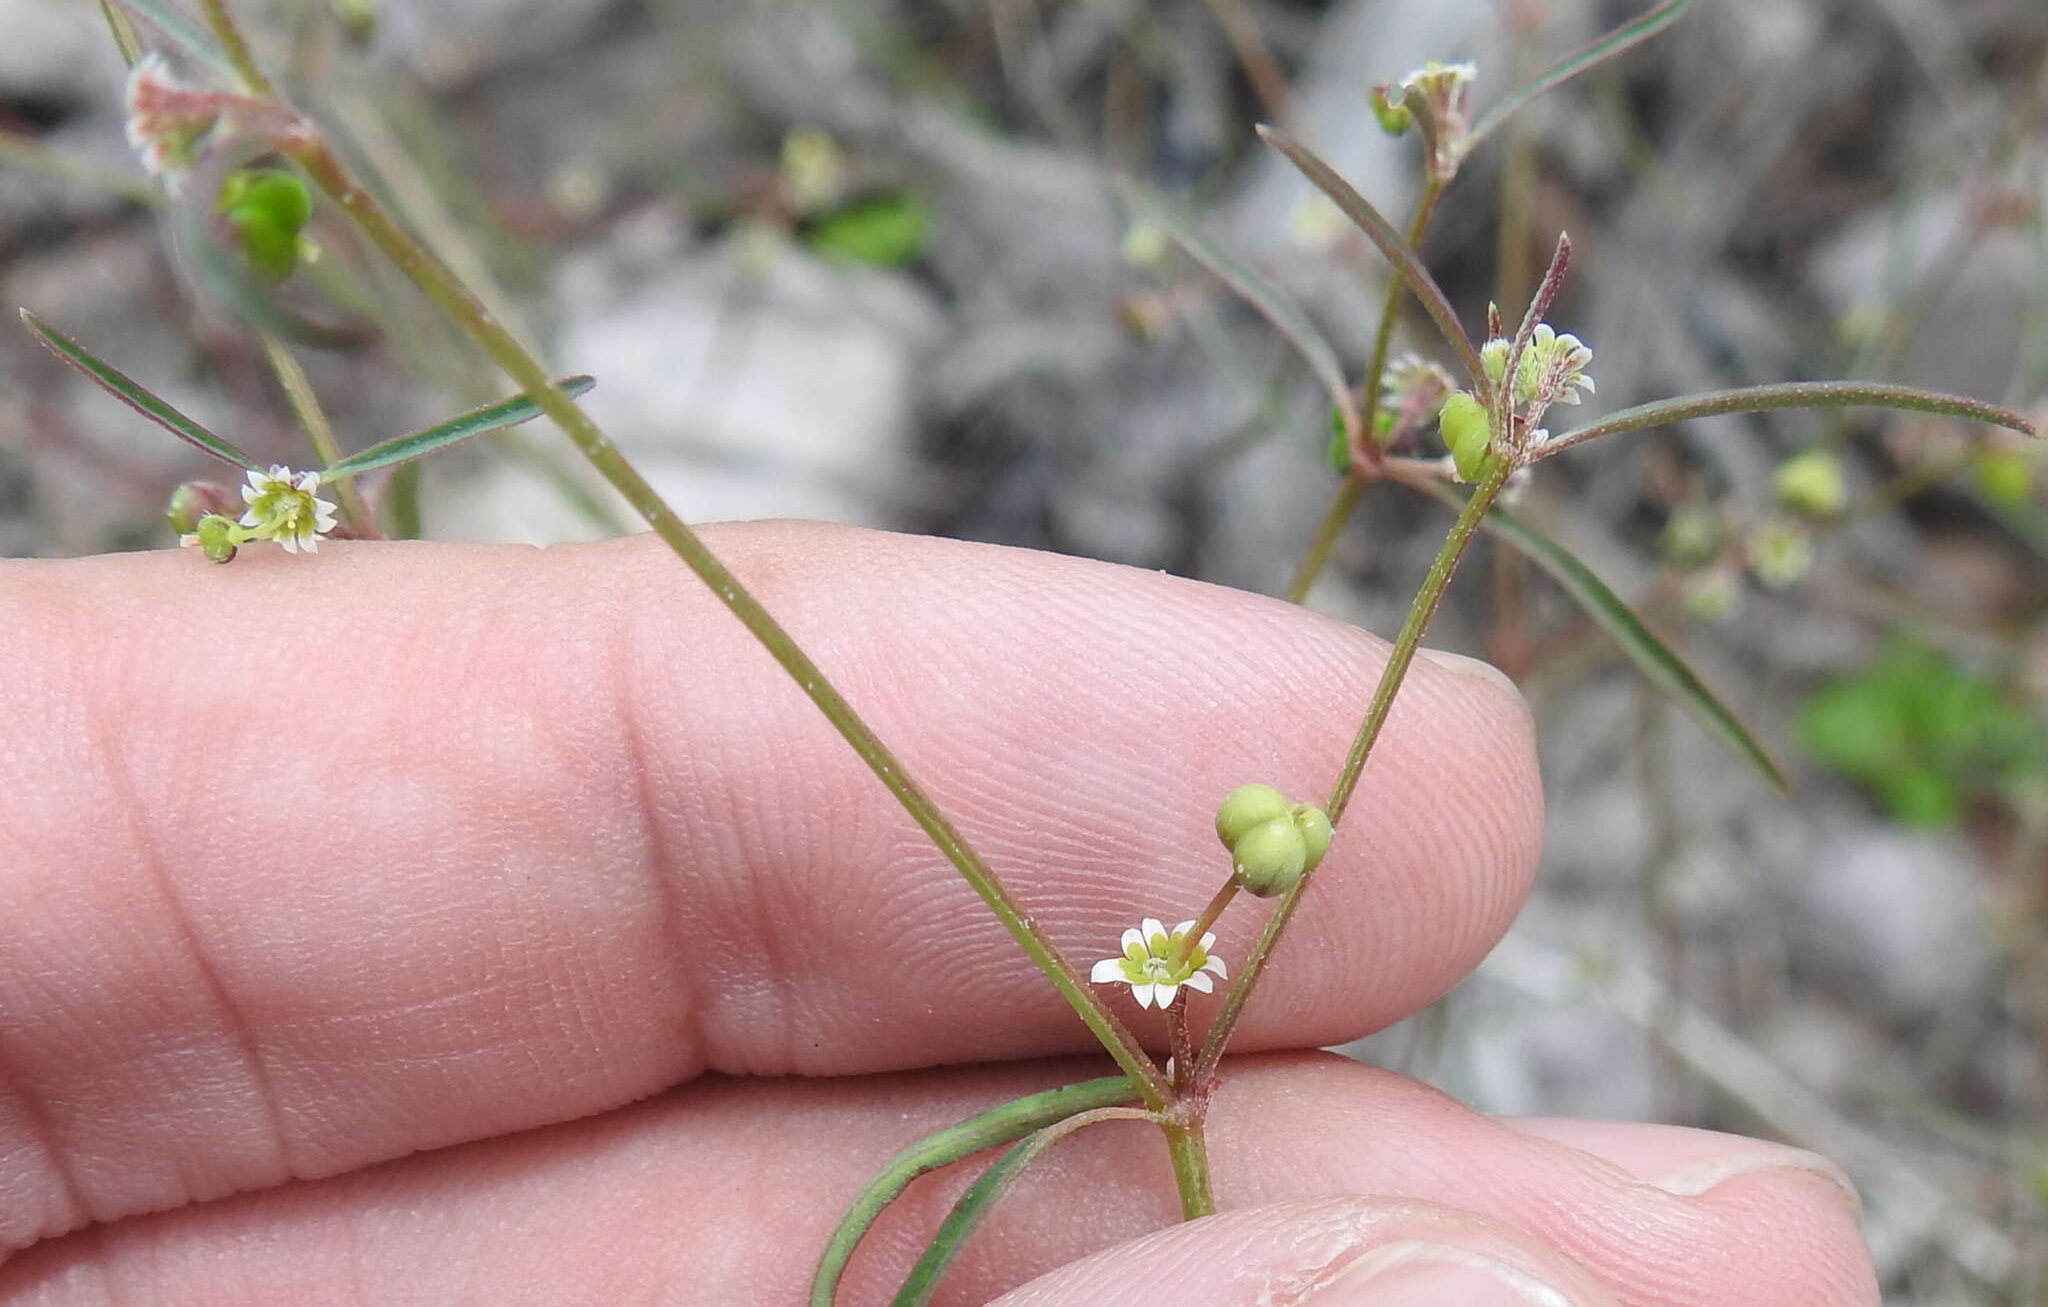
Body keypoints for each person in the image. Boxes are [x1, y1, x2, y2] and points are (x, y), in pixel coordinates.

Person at [0, 523, 1877, 1304]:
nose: (1158, 975)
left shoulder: (1219, 917)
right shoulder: (1206, 922)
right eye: (1157, 964)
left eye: (1164, 965)